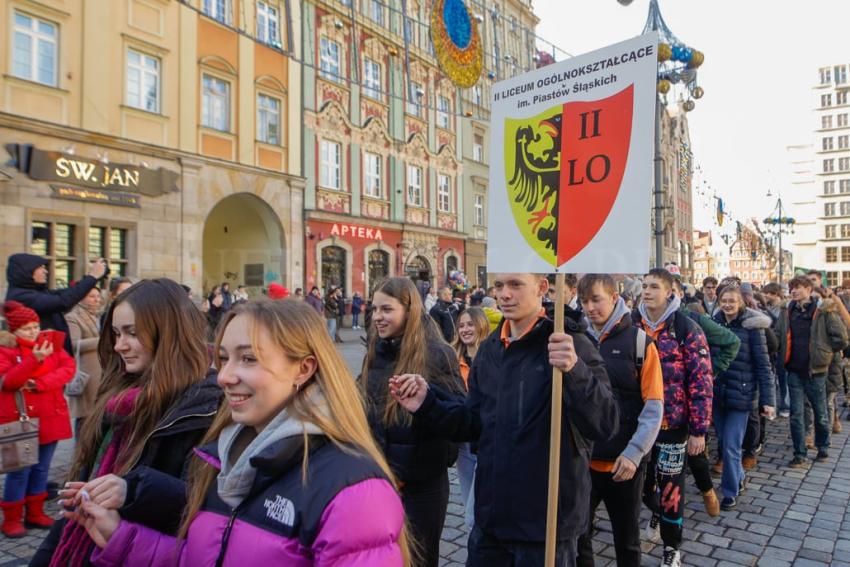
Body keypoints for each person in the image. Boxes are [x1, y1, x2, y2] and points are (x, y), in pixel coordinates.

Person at [73, 299, 409, 566]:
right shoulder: (221, 458)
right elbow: (201, 557)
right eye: (223, 359)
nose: (225, 376)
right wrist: (121, 537)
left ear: (303, 369)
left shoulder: (353, 490)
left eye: (248, 359)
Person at [390, 273, 618, 567]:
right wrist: (427, 403)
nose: (505, 294)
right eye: (499, 286)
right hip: (492, 521)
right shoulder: (490, 350)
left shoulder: (570, 344)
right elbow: (472, 424)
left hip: (546, 527)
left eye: (515, 285)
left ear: (542, 288)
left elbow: (606, 424)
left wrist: (575, 370)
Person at [31, 278, 222, 565]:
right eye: (116, 333)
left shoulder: (205, 405)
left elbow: (206, 509)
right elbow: (79, 500)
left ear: (168, 332)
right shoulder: (117, 398)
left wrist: (132, 491)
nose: (119, 345)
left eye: (131, 333)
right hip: (85, 545)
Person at [360, 277, 465, 567]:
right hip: (380, 481)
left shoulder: (437, 353)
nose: (378, 317)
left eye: (386, 309)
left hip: (422, 488)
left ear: (409, 310)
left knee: (419, 561)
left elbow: (460, 419)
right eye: (375, 309)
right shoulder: (376, 350)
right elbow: (366, 408)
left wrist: (426, 402)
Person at [574, 275, 663, 567]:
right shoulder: (577, 340)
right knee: (578, 535)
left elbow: (653, 406)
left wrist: (635, 453)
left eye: (596, 299)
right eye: (584, 301)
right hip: (582, 460)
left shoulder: (639, 343)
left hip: (623, 463)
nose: (589, 308)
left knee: (626, 540)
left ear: (614, 298)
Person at [632, 268, 713, 567]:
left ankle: (671, 547)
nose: (647, 291)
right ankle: (656, 512)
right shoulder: (631, 324)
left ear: (670, 291)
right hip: (637, 425)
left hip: (672, 425)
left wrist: (698, 429)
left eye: (654, 286)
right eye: (644, 286)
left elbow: (701, 380)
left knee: (671, 490)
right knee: (639, 486)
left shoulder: (686, 328)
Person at [0, 301, 74, 538]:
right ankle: (12, 518)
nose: (33, 331)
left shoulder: (50, 344)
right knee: (20, 470)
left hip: (50, 417)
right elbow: (9, 381)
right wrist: (34, 359)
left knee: (41, 470)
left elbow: (68, 367)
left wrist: (38, 383)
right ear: (14, 331)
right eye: (27, 328)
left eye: (35, 326)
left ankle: (35, 512)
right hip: (21, 420)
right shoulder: (6, 350)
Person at [673, 279, 740, 512]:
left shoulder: (694, 319)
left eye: (671, 291)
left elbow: (732, 342)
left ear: (679, 293)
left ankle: (707, 490)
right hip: (661, 399)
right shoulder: (643, 321)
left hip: (691, 397)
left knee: (695, 453)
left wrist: (712, 371)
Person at [711, 287, 776, 510]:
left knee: (731, 445)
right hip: (718, 393)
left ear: (741, 303)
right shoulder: (714, 324)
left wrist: (768, 401)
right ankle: (738, 477)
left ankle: (730, 491)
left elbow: (763, 366)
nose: (727, 304)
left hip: (742, 394)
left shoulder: (752, 328)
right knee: (723, 441)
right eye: (724, 301)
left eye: (732, 301)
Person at [777, 276, 848, 467]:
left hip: (816, 371)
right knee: (796, 414)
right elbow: (778, 335)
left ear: (809, 290)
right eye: (792, 288)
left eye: (798, 287)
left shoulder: (823, 310)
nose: (794, 291)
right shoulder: (787, 310)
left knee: (820, 412)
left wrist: (824, 353)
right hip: (793, 370)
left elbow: (841, 338)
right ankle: (799, 453)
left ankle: (823, 448)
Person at [5, 253, 108, 354]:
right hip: (41, 357)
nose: (46, 271)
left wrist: (92, 278)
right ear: (27, 271)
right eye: (41, 268)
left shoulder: (36, 291)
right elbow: (64, 301)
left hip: (55, 356)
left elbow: (68, 293)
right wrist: (92, 277)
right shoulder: (21, 296)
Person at [451, 307, 491, 528]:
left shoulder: (493, 355)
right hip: (463, 443)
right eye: (461, 325)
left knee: (474, 511)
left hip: (486, 439)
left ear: (481, 325)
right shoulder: (452, 358)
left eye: (470, 324)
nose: (465, 329)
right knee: (468, 497)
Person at [64, 286, 103, 436]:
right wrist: (102, 340)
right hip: (86, 374)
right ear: (81, 298)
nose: (96, 300)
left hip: (101, 372)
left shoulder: (98, 315)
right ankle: (81, 454)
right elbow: (74, 344)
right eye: (92, 296)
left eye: (98, 296)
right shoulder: (73, 317)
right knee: (85, 418)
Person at [762, 282, 790, 417]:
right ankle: (774, 405)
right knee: (772, 377)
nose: (765, 296)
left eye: (768, 293)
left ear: (775, 294)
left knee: (784, 377)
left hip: (782, 346)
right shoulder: (767, 307)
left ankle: (786, 405)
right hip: (771, 346)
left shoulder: (784, 309)